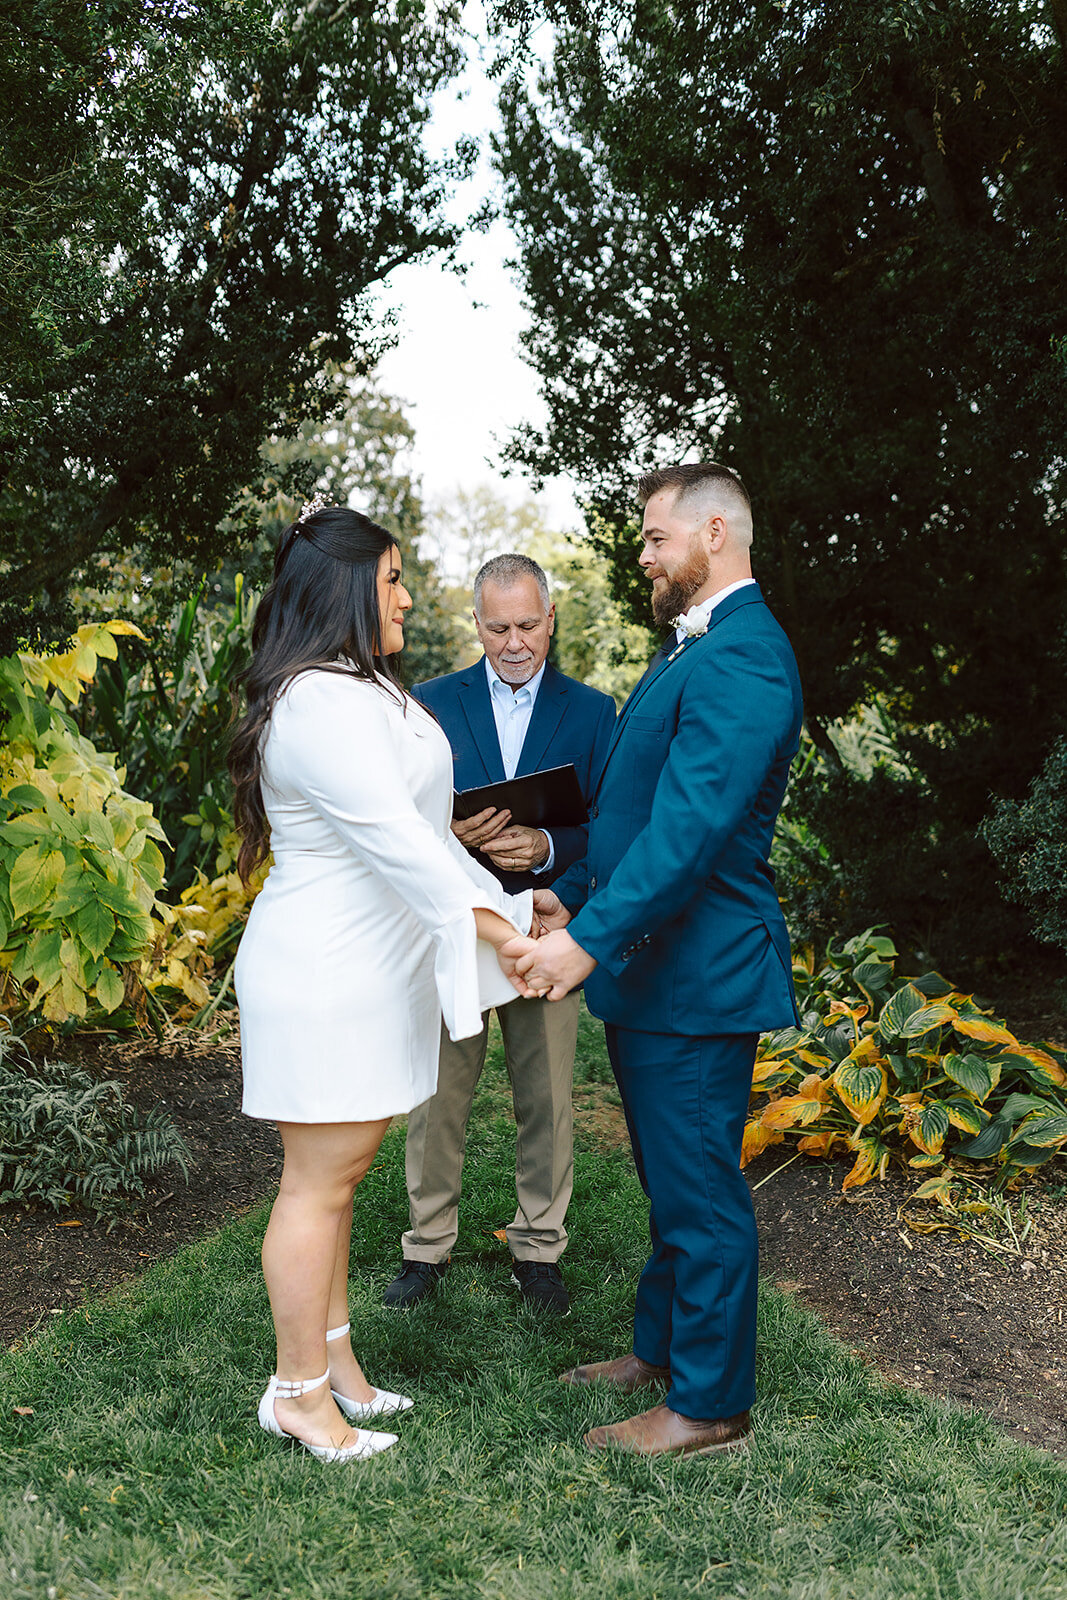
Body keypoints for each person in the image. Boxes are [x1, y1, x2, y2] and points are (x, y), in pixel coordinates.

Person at [229, 499, 539, 1463]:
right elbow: (402, 849)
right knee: (315, 1187)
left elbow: (428, 837)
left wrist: (521, 908)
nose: (405, 595)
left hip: (367, 968)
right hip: (325, 970)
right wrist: (509, 931)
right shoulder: (317, 700)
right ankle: (297, 1396)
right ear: (349, 588)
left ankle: (340, 1370)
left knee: (342, 1178)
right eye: (394, 578)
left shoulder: (359, 686)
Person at [512, 463, 803, 1457]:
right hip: (659, 973)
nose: (641, 555)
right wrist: (573, 892)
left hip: (698, 977)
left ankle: (708, 1405)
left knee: (698, 1190)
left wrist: (581, 943)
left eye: (652, 538)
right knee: (667, 1180)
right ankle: (659, 1349)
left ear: (714, 532)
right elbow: (634, 818)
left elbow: (689, 833)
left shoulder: (744, 656)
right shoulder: (693, 650)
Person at [383, 554, 616, 1314]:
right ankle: (425, 1248)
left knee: (547, 1094)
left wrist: (550, 855)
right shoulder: (425, 706)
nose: (513, 642)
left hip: (545, 923)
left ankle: (539, 1250)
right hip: (453, 924)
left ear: (550, 619)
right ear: (474, 624)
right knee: (438, 1093)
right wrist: (454, 829)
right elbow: (398, 818)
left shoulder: (592, 712)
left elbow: (608, 827)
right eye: (496, 627)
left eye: (527, 625)